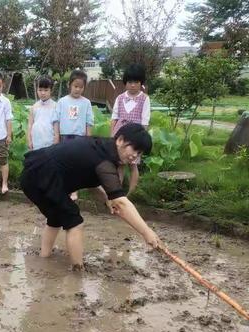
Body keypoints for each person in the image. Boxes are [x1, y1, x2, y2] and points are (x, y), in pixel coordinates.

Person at [20, 123, 161, 269]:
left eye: (139, 153)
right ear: (120, 140)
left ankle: (44, 258)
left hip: (36, 175)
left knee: (57, 216)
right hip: (39, 177)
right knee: (74, 220)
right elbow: (122, 203)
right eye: (134, 149)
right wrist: (146, 232)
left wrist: (106, 199)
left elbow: (90, 181)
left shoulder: (102, 148)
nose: (134, 156)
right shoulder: (105, 161)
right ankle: (77, 270)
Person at [53, 69, 94, 201]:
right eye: (75, 86)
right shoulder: (62, 101)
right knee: (64, 163)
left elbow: (89, 122)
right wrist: (56, 136)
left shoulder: (86, 103)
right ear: (69, 85)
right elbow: (56, 120)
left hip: (79, 138)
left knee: (76, 165)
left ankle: (74, 191)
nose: (78, 89)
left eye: (81, 87)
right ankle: (64, 189)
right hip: (65, 136)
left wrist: (89, 139)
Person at [111, 64, 151, 195]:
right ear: (125, 83)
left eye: (136, 82)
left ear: (141, 83)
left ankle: (131, 194)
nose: (133, 85)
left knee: (133, 165)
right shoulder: (120, 98)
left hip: (135, 138)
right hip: (120, 137)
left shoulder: (144, 99)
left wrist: (141, 139)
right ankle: (117, 193)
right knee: (119, 165)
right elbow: (114, 117)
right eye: (130, 82)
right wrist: (112, 136)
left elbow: (145, 121)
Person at [27, 75, 56, 151]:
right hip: (36, 141)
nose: (43, 93)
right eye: (40, 90)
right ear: (37, 90)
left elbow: (57, 127)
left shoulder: (55, 107)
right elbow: (30, 125)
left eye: (46, 90)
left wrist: (56, 142)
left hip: (50, 141)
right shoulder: (34, 107)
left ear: (51, 90)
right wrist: (29, 140)